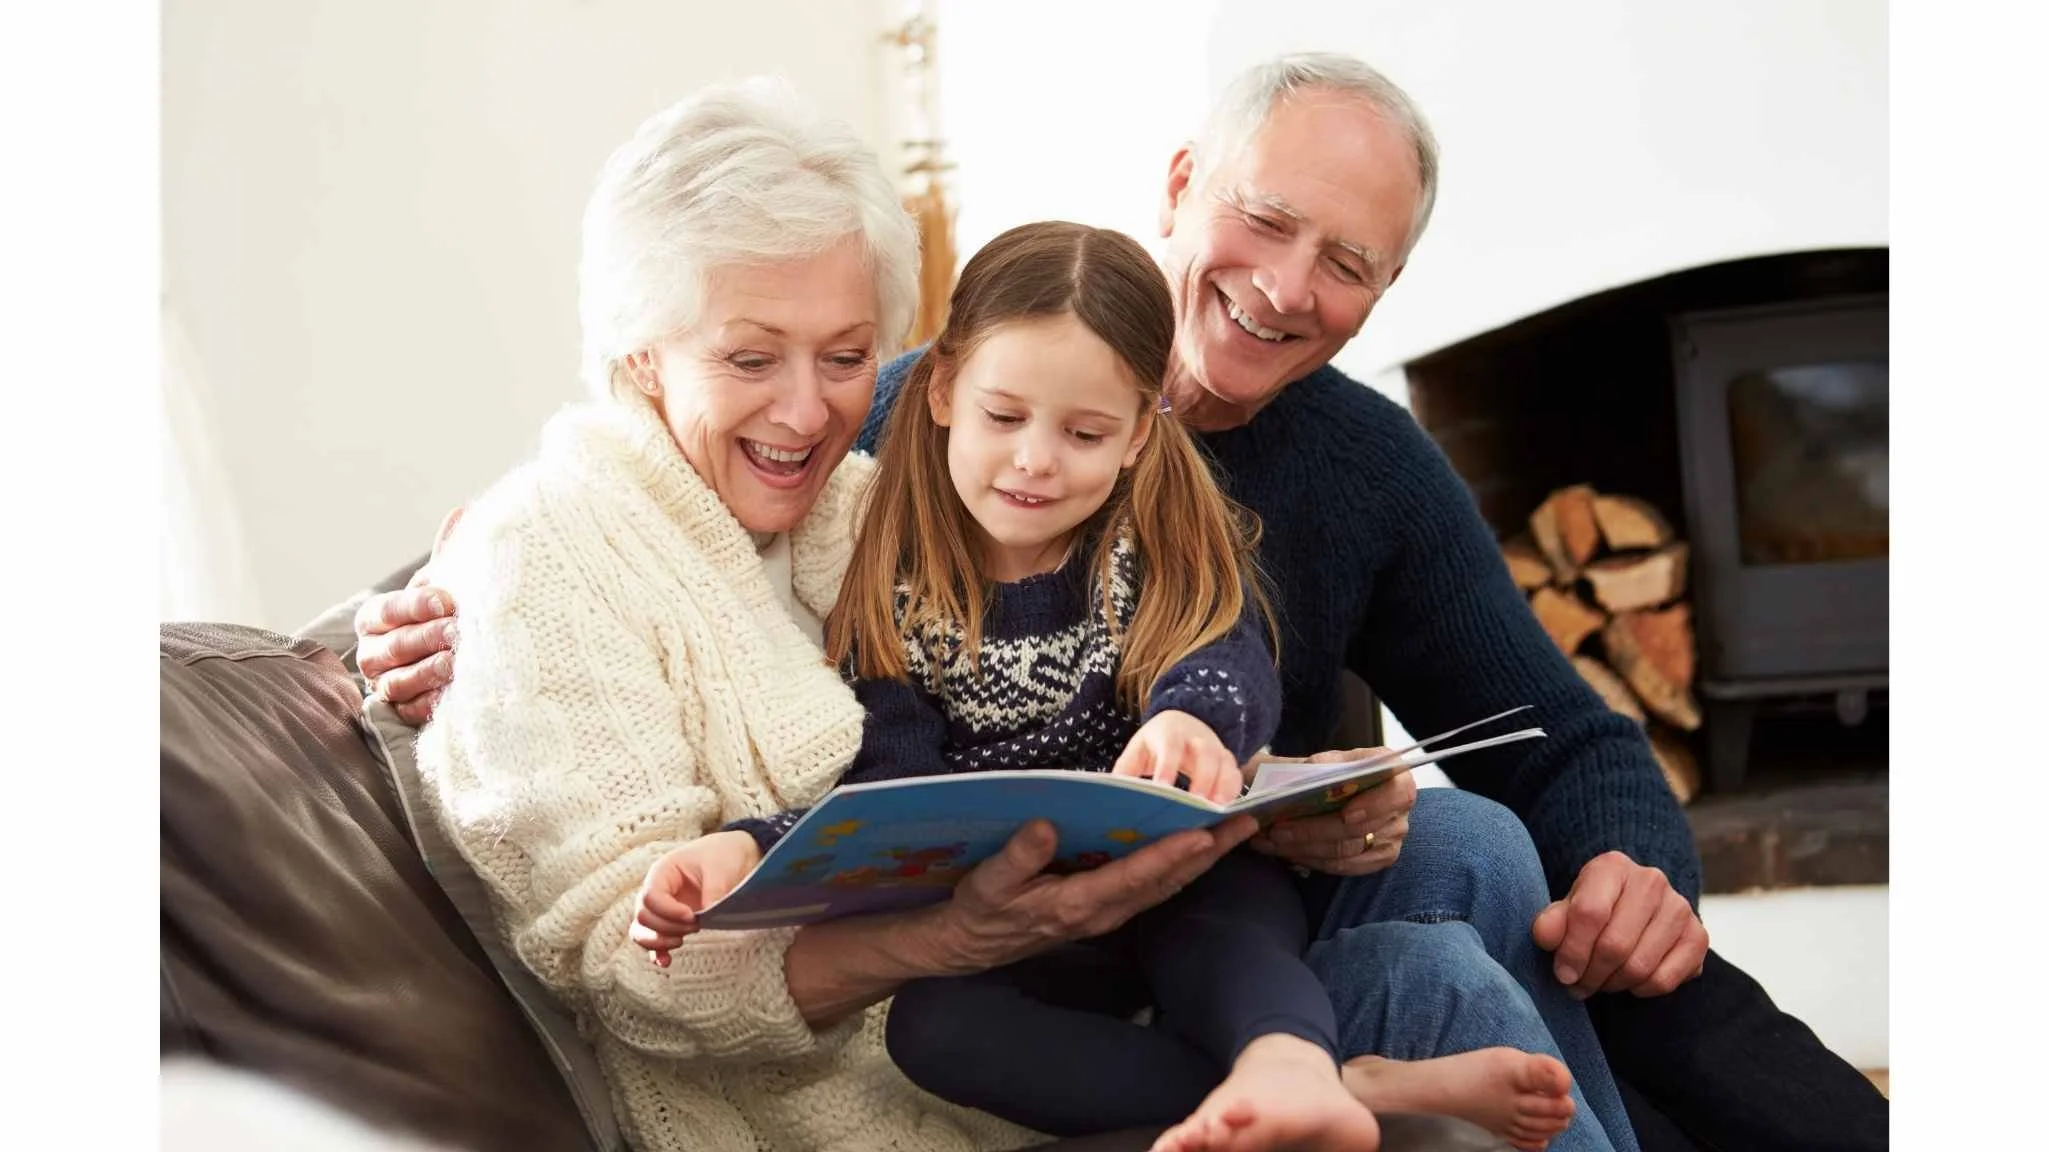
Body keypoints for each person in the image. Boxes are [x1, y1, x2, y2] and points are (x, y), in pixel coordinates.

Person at [361, 53, 1885, 1152]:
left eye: (1347, 262)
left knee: (1519, 861)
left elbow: (1556, 730)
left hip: (1225, 884)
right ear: (1179, 188)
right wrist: (429, 595)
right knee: (1455, 911)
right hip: (1032, 942)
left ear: (1388, 288)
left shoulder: (1360, 464)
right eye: (1265, 221)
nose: (1287, 287)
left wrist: (1638, 860)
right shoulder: (908, 432)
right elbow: (662, 492)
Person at [626, 220, 1587, 1152]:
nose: (1036, 461)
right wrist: (743, 853)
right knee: (931, 1030)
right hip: (1024, 935)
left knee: (1229, 923)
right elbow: (885, 796)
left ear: (1137, 435)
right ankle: (1342, 1088)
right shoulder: (888, 581)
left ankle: (1286, 1064)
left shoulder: (1149, 546)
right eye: (1005, 418)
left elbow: (1224, 658)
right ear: (943, 389)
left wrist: (1190, 720)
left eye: (1085, 433)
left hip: (1182, 883)